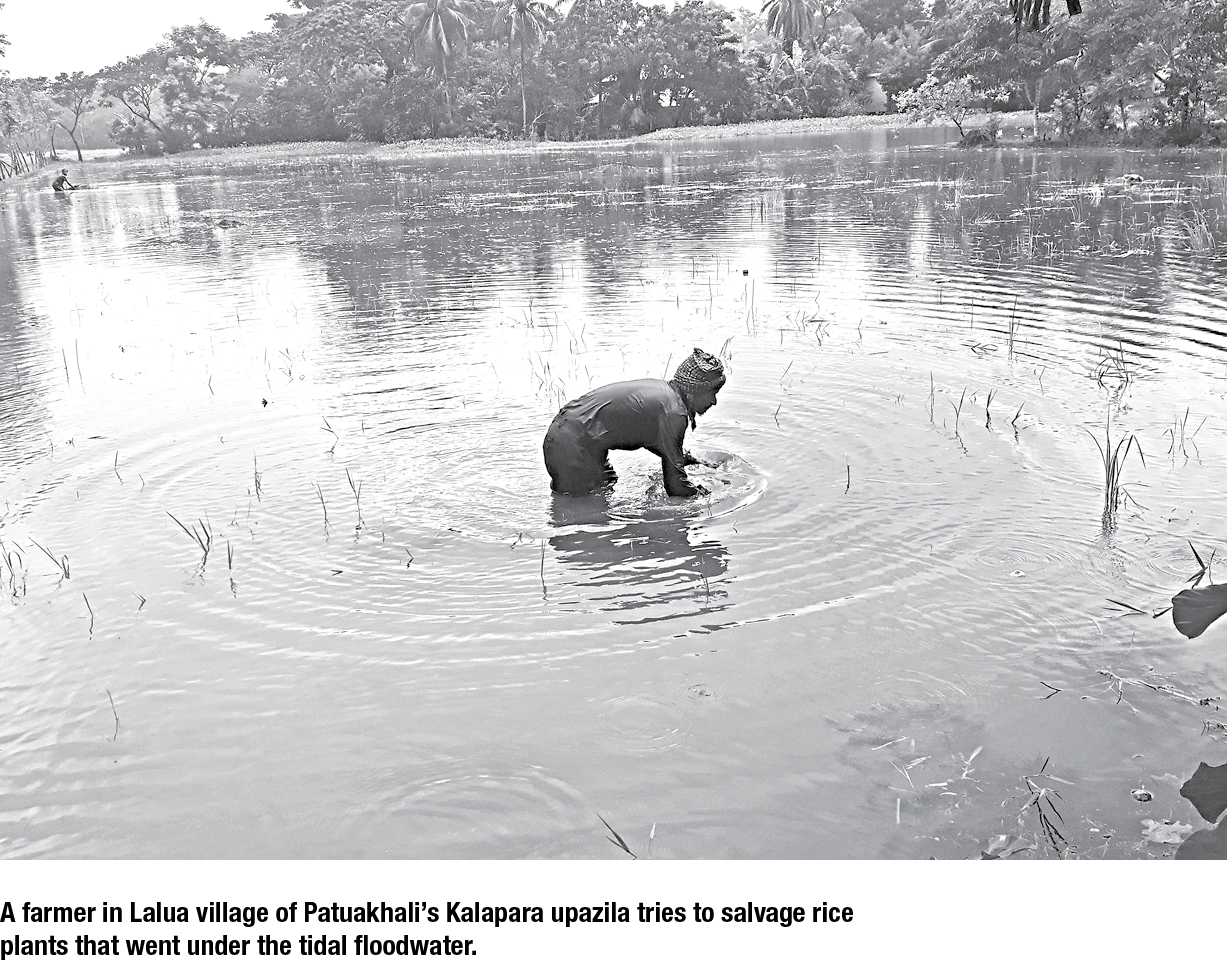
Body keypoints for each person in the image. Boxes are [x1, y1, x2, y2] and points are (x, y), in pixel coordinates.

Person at [543, 347, 726, 498]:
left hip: (567, 434)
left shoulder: (664, 396)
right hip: (572, 446)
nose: (714, 402)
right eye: (712, 394)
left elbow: (664, 448)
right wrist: (713, 497)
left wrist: (697, 462)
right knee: (582, 509)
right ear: (695, 392)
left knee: (604, 487)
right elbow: (676, 487)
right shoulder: (674, 413)